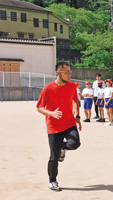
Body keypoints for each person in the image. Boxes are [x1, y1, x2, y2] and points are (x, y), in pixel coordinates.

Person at [36, 62, 81, 191]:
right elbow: (39, 107)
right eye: (67, 72)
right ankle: (52, 180)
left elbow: (76, 101)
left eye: (70, 72)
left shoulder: (72, 86)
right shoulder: (48, 88)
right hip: (54, 126)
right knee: (54, 157)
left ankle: (62, 147)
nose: (69, 74)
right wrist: (51, 113)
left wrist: (77, 117)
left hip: (69, 123)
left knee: (75, 143)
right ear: (58, 73)